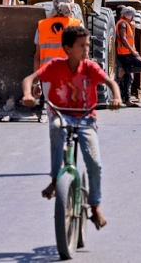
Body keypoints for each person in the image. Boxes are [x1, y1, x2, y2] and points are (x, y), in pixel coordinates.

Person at [21, 25, 123, 230]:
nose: (86, 50)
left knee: (94, 163)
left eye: (87, 45)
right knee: (56, 128)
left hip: (86, 118)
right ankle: (54, 179)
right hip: (62, 113)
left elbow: (111, 83)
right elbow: (30, 79)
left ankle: (95, 207)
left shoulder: (90, 68)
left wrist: (117, 98)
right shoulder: (56, 66)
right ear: (67, 48)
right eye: (81, 46)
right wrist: (28, 94)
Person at [33, 0, 81, 71]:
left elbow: (37, 57)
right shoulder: (77, 25)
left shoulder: (42, 25)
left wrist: (35, 82)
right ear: (71, 7)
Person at [115, 6, 141, 108]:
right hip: (126, 54)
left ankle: (127, 100)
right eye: (132, 15)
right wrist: (132, 51)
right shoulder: (122, 24)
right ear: (129, 15)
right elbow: (123, 38)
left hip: (126, 53)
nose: (133, 17)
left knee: (129, 78)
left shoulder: (126, 23)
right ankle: (124, 70)